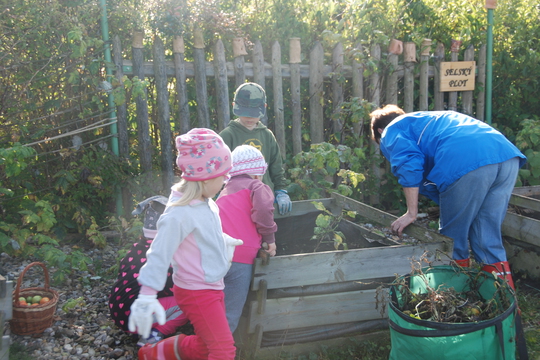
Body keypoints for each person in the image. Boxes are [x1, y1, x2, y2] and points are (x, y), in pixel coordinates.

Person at [370, 105, 527, 289]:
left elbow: (408, 164)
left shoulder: (391, 130)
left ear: (379, 131)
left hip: (467, 160)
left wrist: (411, 213)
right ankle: (505, 308)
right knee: (487, 239)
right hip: (505, 156)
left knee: (451, 241)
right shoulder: (427, 121)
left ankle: (454, 302)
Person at [129, 128, 244, 360]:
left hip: (212, 286)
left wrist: (223, 242)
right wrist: (147, 296)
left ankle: (152, 354)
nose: (226, 180)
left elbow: (202, 236)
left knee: (205, 346)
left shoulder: (205, 201)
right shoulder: (178, 213)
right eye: (223, 176)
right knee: (223, 350)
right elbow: (159, 253)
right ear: (206, 177)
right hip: (197, 291)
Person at [108, 196, 188, 347]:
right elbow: (176, 288)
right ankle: (154, 335)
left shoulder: (137, 248)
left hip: (118, 310)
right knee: (187, 302)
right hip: (136, 317)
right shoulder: (166, 255)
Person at [216, 145, 278, 333]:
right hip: (241, 256)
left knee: (215, 305)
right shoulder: (257, 186)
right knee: (231, 310)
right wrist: (270, 239)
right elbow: (264, 212)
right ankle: (220, 350)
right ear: (258, 173)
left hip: (217, 253)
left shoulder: (223, 192)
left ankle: (203, 342)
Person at [219, 82, 292, 216]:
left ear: (264, 108)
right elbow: (218, 172)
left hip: (264, 200)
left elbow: (276, 166)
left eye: (254, 114)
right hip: (236, 202)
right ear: (234, 106)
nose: (249, 118)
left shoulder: (267, 135)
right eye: (245, 113)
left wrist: (281, 191)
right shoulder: (227, 135)